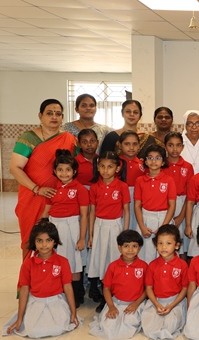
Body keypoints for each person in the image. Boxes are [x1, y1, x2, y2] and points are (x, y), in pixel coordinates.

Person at [11, 99, 77, 257]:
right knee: (31, 240)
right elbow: (15, 168)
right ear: (40, 116)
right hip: (32, 197)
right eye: (49, 113)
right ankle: (29, 272)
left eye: (58, 114)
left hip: (59, 198)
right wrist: (37, 189)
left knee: (57, 240)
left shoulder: (69, 139)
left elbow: (76, 167)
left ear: (62, 117)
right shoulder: (29, 138)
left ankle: (53, 272)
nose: (54, 117)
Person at [3, 220, 80, 338]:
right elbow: (24, 291)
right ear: (34, 242)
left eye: (48, 240)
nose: (44, 245)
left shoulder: (63, 262)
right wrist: (19, 319)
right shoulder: (28, 264)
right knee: (33, 332)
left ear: (55, 241)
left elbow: (68, 288)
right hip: (36, 302)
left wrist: (73, 313)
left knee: (58, 328)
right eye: (39, 241)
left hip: (56, 302)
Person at [41, 150, 89, 308]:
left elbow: (84, 215)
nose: (64, 173)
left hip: (71, 228)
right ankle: (58, 292)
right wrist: (40, 228)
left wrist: (82, 238)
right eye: (60, 169)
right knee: (55, 260)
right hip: (54, 227)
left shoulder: (80, 189)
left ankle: (77, 294)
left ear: (74, 171)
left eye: (68, 169)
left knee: (73, 262)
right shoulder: (52, 188)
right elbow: (46, 210)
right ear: (55, 171)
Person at [87, 151, 130, 306]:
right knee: (99, 257)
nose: (106, 170)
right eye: (102, 166)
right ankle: (100, 290)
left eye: (110, 167)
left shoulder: (122, 186)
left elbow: (126, 210)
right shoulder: (94, 187)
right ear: (97, 167)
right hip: (99, 226)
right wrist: (91, 235)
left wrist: (124, 233)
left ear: (117, 168)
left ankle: (113, 293)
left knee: (113, 258)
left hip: (115, 226)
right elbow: (92, 211)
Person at [89, 229, 147, 340]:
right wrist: (111, 306)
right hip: (116, 303)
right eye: (126, 246)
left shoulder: (144, 266)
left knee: (129, 323)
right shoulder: (113, 266)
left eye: (134, 246)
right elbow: (106, 288)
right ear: (119, 248)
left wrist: (136, 304)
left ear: (139, 248)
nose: (130, 250)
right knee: (109, 325)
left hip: (135, 303)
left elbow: (147, 289)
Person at [141, 224, 188, 340]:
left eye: (168, 243)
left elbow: (185, 288)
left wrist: (171, 306)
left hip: (175, 301)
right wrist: (157, 304)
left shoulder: (182, 265)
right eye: (160, 243)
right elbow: (149, 288)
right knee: (148, 327)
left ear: (177, 245)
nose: (164, 247)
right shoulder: (152, 265)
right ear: (156, 245)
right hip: (156, 301)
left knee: (170, 326)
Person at [133, 145, 177, 263]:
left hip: (163, 219)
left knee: (164, 253)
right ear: (145, 161)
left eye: (158, 158)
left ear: (163, 162)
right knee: (145, 254)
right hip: (145, 219)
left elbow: (172, 205)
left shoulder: (169, 180)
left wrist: (163, 226)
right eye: (150, 158)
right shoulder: (139, 181)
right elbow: (137, 205)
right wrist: (142, 226)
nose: (154, 161)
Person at [164, 132, 194, 259]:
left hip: (182, 206)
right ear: (165, 146)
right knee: (166, 240)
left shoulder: (188, 167)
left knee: (182, 243)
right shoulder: (161, 165)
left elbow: (190, 194)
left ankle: (182, 268)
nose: (175, 149)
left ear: (182, 147)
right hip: (164, 205)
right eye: (171, 145)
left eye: (178, 145)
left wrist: (181, 216)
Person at [118, 131, 145, 229]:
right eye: (127, 144)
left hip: (137, 199)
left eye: (135, 144)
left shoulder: (143, 164)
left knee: (134, 223)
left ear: (139, 146)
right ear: (120, 145)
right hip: (119, 199)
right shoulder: (115, 163)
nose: (131, 147)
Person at [181, 110, 199, 174]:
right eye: (190, 123)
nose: (194, 127)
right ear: (185, 125)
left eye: (198, 123)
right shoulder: (179, 143)